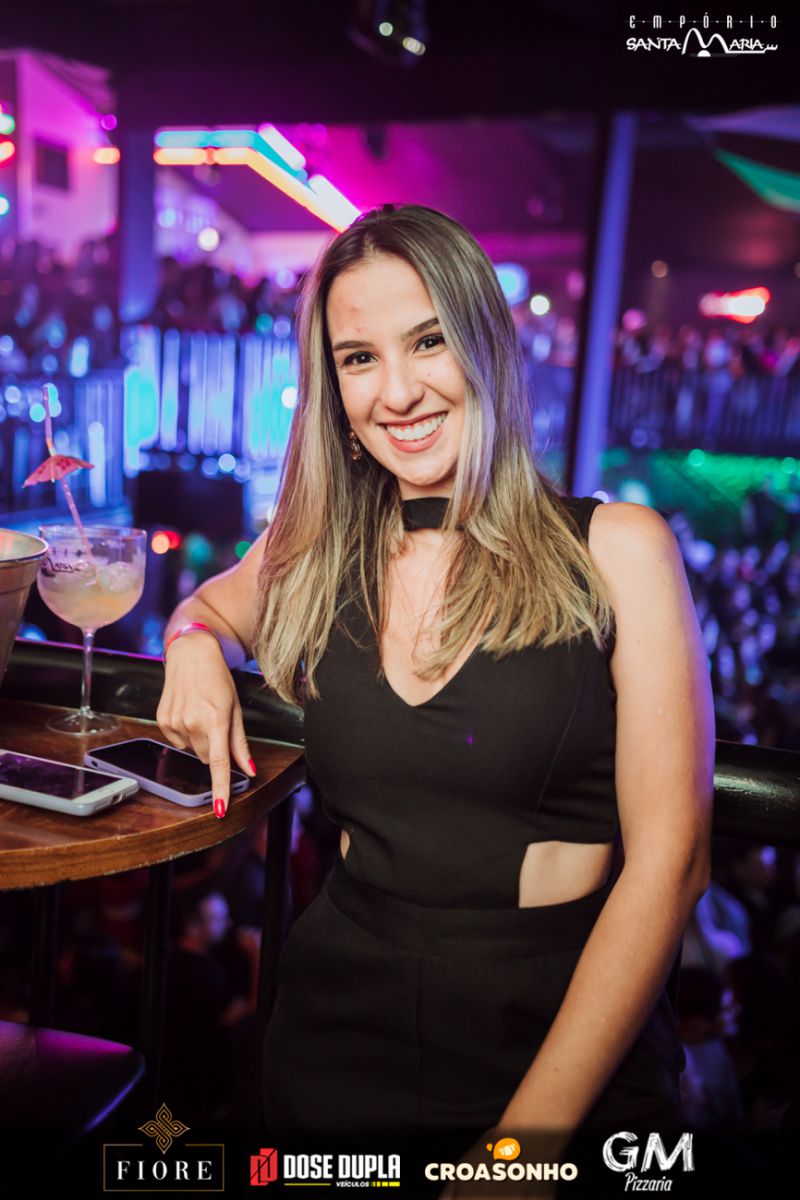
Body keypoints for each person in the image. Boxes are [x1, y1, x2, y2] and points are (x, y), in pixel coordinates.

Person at [156, 203, 714, 1190]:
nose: (398, 391)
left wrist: (520, 1150)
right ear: (332, 388)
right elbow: (205, 608)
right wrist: (191, 643)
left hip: (557, 1043)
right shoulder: (312, 550)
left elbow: (671, 864)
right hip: (337, 1032)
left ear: (483, 343)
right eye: (358, 358)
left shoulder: (619, 550)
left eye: (427, 341)